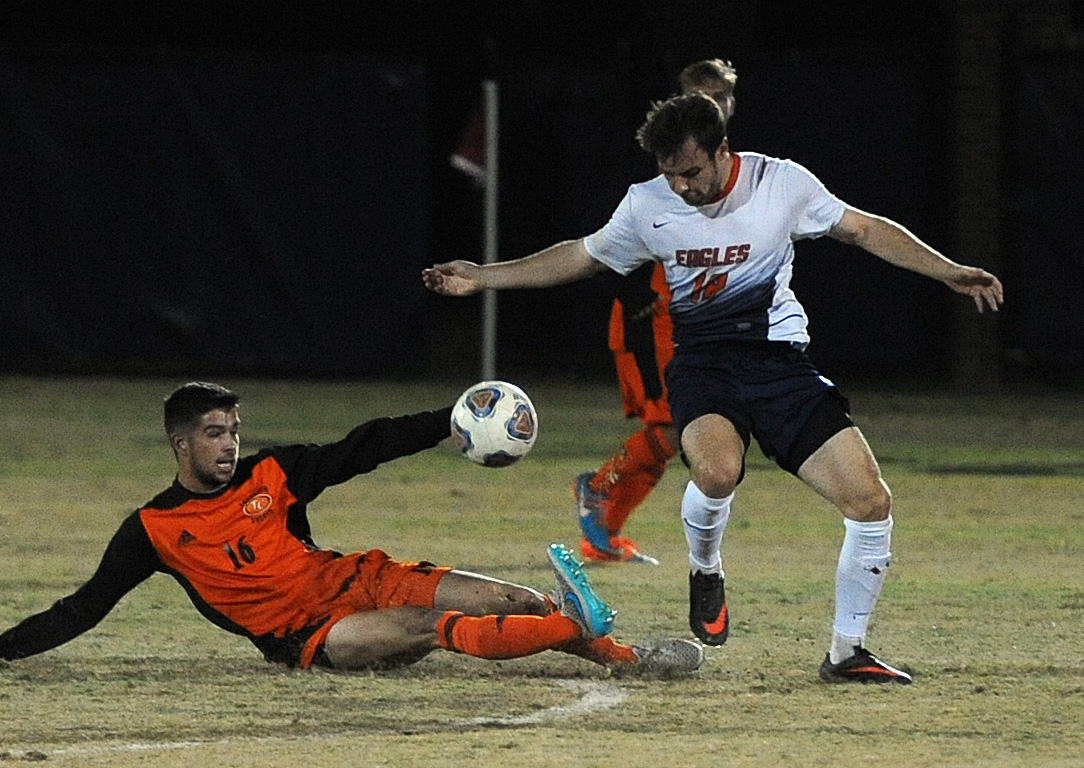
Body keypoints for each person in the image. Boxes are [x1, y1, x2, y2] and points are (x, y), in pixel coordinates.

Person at [423, 93, 1003, 683]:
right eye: (668, 174)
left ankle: (846, 652)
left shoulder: (781, 185)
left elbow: (864, 230)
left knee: (871, 503)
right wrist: (484, 276)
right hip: (702, 363)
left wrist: (949, 270)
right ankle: (705, 566)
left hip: (779, 364)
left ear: (724, 151)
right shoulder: (647, 204)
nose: (680, 187)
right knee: (718, 472)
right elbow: (583, 256)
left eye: (692, 172)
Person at [0, 382, 703, 674]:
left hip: (353, 578)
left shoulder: (273, 473)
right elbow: (83, 606)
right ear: (179, 444)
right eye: (213, 434)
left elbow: (361, 448)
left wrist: (449, 418)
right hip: (312, 636)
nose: (228, 444)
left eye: (233, 429)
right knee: (436, 625)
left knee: (514, 596)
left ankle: (591, 634)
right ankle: (624, 657)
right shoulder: (153, 530)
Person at [574, 58, 738, 566]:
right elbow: (604, 240)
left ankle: (603, 529)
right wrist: (631, 291)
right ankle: (598, 491)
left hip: (690, 320)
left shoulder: (723, 165)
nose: (715, 103)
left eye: (723, 95)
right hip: (651, 317)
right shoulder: (663, 164)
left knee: (683, 430)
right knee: (672, 428)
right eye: (703, 93)